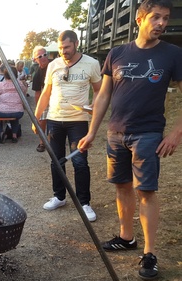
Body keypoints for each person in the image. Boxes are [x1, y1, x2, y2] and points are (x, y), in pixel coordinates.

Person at [78, 1, 182, 278]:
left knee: (146, 192)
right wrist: (91, 132)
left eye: (166, 18)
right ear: (139, 20)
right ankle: (126, 238)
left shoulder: (173, 54)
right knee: (122, 187)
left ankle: (149, 254)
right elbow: (103, 96)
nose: (162, 23)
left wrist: (175, 133)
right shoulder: (117, 53)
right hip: (115, 133)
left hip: (147, 134)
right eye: (156, 17)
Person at [32, 30, 101, 222]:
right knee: (56, 160)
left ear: (76, 43)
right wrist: (37, 118)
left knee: (79, 161)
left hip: (78, 120)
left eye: (67, 47)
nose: (63, 51)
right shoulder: (53, 65)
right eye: (61, 48)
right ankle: (59, 197)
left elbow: (99, 90)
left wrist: (94, 106)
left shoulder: (91, 64)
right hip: (55, 118)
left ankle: (84, 203)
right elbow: (46, 93)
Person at [0, 66, 24, 143]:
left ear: (4, 75)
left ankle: (1, 132)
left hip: (2, 112)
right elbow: (23, 96)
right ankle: (14, 135)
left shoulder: (0, 85)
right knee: (15, 117)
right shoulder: (21, 84)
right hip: (18, 112)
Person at [31, 46, 51, 153]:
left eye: (45, 54)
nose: (43, 57)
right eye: (40, 56)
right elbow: (37, 93)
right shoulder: (37, 74)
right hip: (46, 98)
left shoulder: (54, 65)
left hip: (57, 97)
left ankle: (54, 140)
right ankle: (42, 142)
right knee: (42, 120)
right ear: (35, 59)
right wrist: (38, 110)